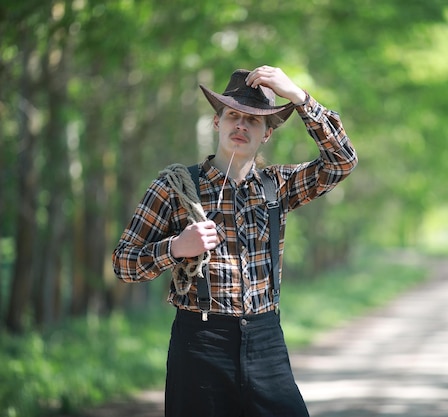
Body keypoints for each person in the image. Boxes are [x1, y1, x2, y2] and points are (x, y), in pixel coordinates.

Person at [112, 65, 357, 417]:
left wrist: (298, 96)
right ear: (217, 123)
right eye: (233, 116)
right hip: (200, 345)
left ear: (267, 134)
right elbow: (123, 263)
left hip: (266, 341)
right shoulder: (176, 187)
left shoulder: (278, 185)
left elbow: (342, 161)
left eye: (254, 120)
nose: (241, 125)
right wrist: (176, 248)